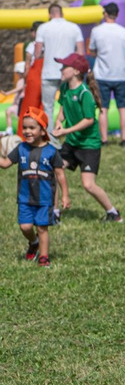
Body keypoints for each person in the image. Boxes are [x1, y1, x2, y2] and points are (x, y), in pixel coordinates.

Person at [51, 53, 121, 223]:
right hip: (71, 144)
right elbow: (62, 108)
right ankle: (54, 214)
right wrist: (59, 122)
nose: (61, 69)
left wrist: (66, 131)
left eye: (64, 67)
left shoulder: (85, 93)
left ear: (76, 71)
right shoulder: (65, 88)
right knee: (53, 171)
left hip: (89, 145)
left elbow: (89, 120)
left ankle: (113, 213)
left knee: (88, 185)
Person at [0, 107, 68, 266]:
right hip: (25, 198)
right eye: (24, 127)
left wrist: (65, 195)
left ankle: (44, 257)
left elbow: (60, 175)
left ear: (43, 130)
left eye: (32, 128)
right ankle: (33, 243)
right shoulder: (21, 148)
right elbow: (4, 164)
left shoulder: (51, 151)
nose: (27, 131)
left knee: (42, 228)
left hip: (45, 199)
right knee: (25, 227)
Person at [33, 4, 85, 133]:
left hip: (49, 71)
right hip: (69, 72)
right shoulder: (74, 27)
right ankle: (73, 132)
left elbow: (37, 53)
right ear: (62, 13)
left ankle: (51, 137)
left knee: (48, 107)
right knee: (72, 104)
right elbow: (81, 53)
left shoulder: (43, 28)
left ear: (50, 14)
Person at [88, 2, 125, 147]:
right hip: (121, 74)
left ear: (105, 14)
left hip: (102, 74)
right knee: (123, 108)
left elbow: (92, 51)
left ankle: (104, 139)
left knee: (103, 108)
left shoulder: (97, 31)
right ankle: (124, 139)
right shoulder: (124, 32)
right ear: (117, 15)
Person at [2, 61, 26, 135]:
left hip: (20, 104)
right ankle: (9, 129)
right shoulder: (20, 80)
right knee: (8, 111)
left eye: (18, 73)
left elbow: (18, 89)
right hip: (17, 104)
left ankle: (16, 129)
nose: (17, 75)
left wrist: (7, 93)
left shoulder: (24, 81)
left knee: (17, 115)